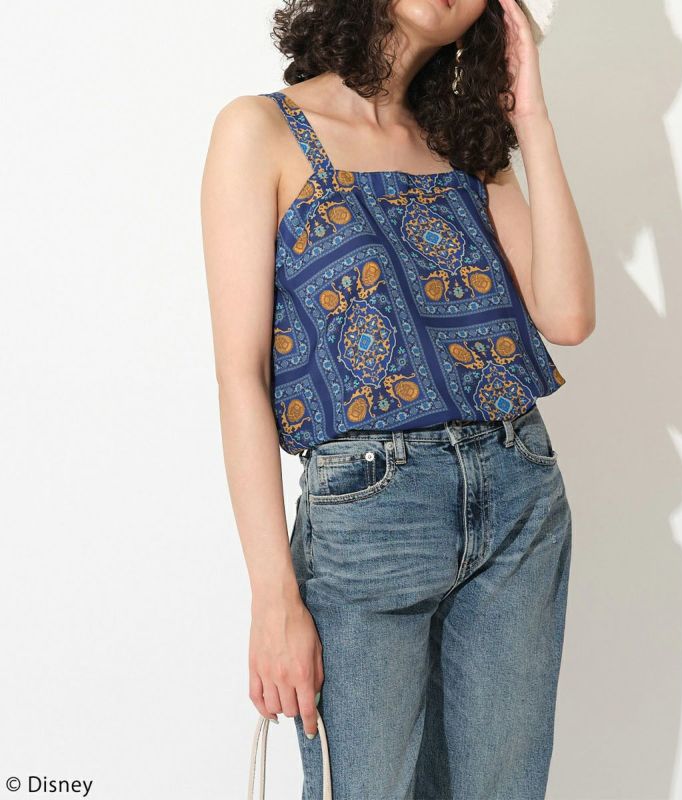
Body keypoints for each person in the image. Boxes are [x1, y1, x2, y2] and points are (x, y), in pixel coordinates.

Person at [201, 0, 594, 797]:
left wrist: (532, 121)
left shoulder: (462, 145)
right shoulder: (261, 130)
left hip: (519, 494)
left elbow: (568, 316)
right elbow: (241, 375)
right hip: (370, 517)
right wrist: (274, 599)